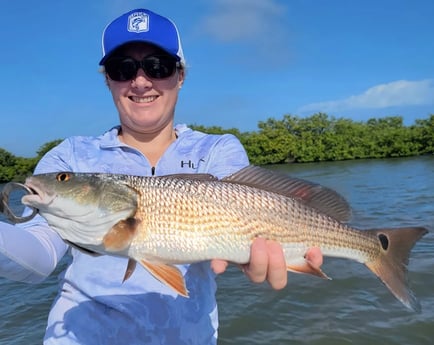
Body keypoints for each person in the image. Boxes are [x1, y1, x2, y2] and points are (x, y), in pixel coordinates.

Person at [0, 8, 322, 344]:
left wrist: (266, 246)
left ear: (180, 75)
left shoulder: (216, 151)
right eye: (122, 69)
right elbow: (38, 254)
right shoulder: (70, 155)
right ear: (107, 79)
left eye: (158, 66)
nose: (140, 81)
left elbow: (251, 210)